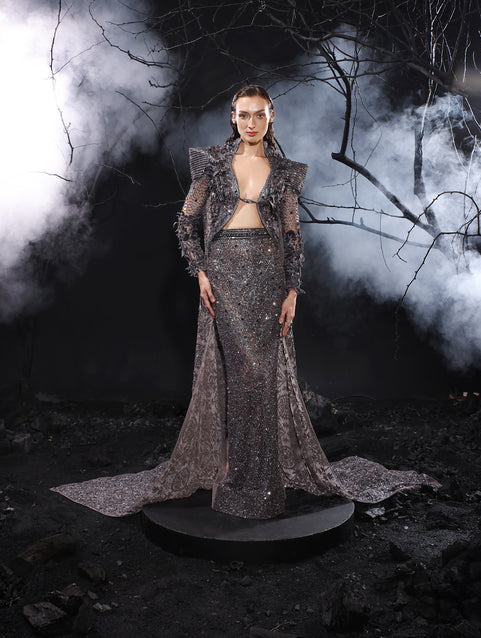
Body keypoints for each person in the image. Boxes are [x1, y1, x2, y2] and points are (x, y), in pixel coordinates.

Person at [51, 85, 438, 519]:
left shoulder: (285, 171)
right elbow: (186, 221)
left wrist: (292, 291)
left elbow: (292, 235)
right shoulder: (213, 162)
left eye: (259, 115)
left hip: (269, 280)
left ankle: (261, 485)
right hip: (224, 280)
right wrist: (200, 272)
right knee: (240, 378)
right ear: (232, 117)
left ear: (271, 117)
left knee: (264, 378)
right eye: (243, 115)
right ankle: (236, 479)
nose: (251, 123)